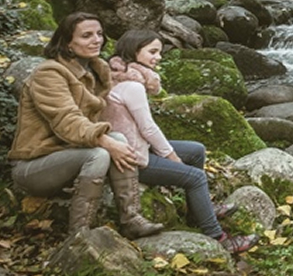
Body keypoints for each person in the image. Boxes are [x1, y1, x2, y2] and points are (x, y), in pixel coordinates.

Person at [10, 13, 164, 239]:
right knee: (99, 154)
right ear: (67, 43)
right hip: (33, 165)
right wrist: (106, 142)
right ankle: (79, 234)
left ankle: (131, 219)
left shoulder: (96, 71)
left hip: (69, 154)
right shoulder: (48, 74)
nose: (96, 40)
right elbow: (68, 121)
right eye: (86, 35)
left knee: (119, 139)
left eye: (99, 34)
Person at [104, 29, 255, 254]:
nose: (159, 57)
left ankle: (198, 211)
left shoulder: (119, 75)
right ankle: (218, 237)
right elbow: (148, 128)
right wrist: (170, 156)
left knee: (196, 150)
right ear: (135, 52)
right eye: (153, 52)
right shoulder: (132, 85)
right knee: (195, 177)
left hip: (136, 146)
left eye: (160, 52)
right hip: (131, 158)